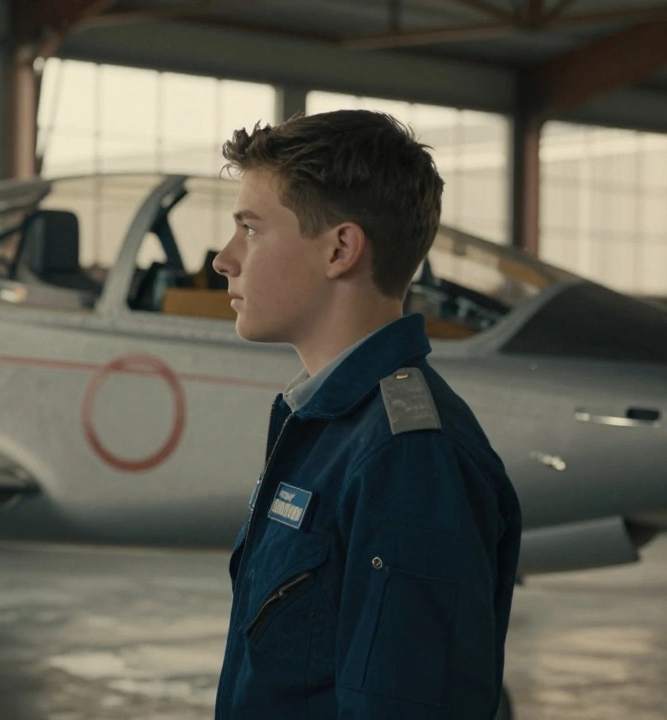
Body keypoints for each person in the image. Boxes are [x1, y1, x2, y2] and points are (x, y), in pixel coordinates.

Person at [210, 110, 522, 719]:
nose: (224, 259)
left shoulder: (407, 457)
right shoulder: (327, 424)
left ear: (340, 249)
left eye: (250, 228)